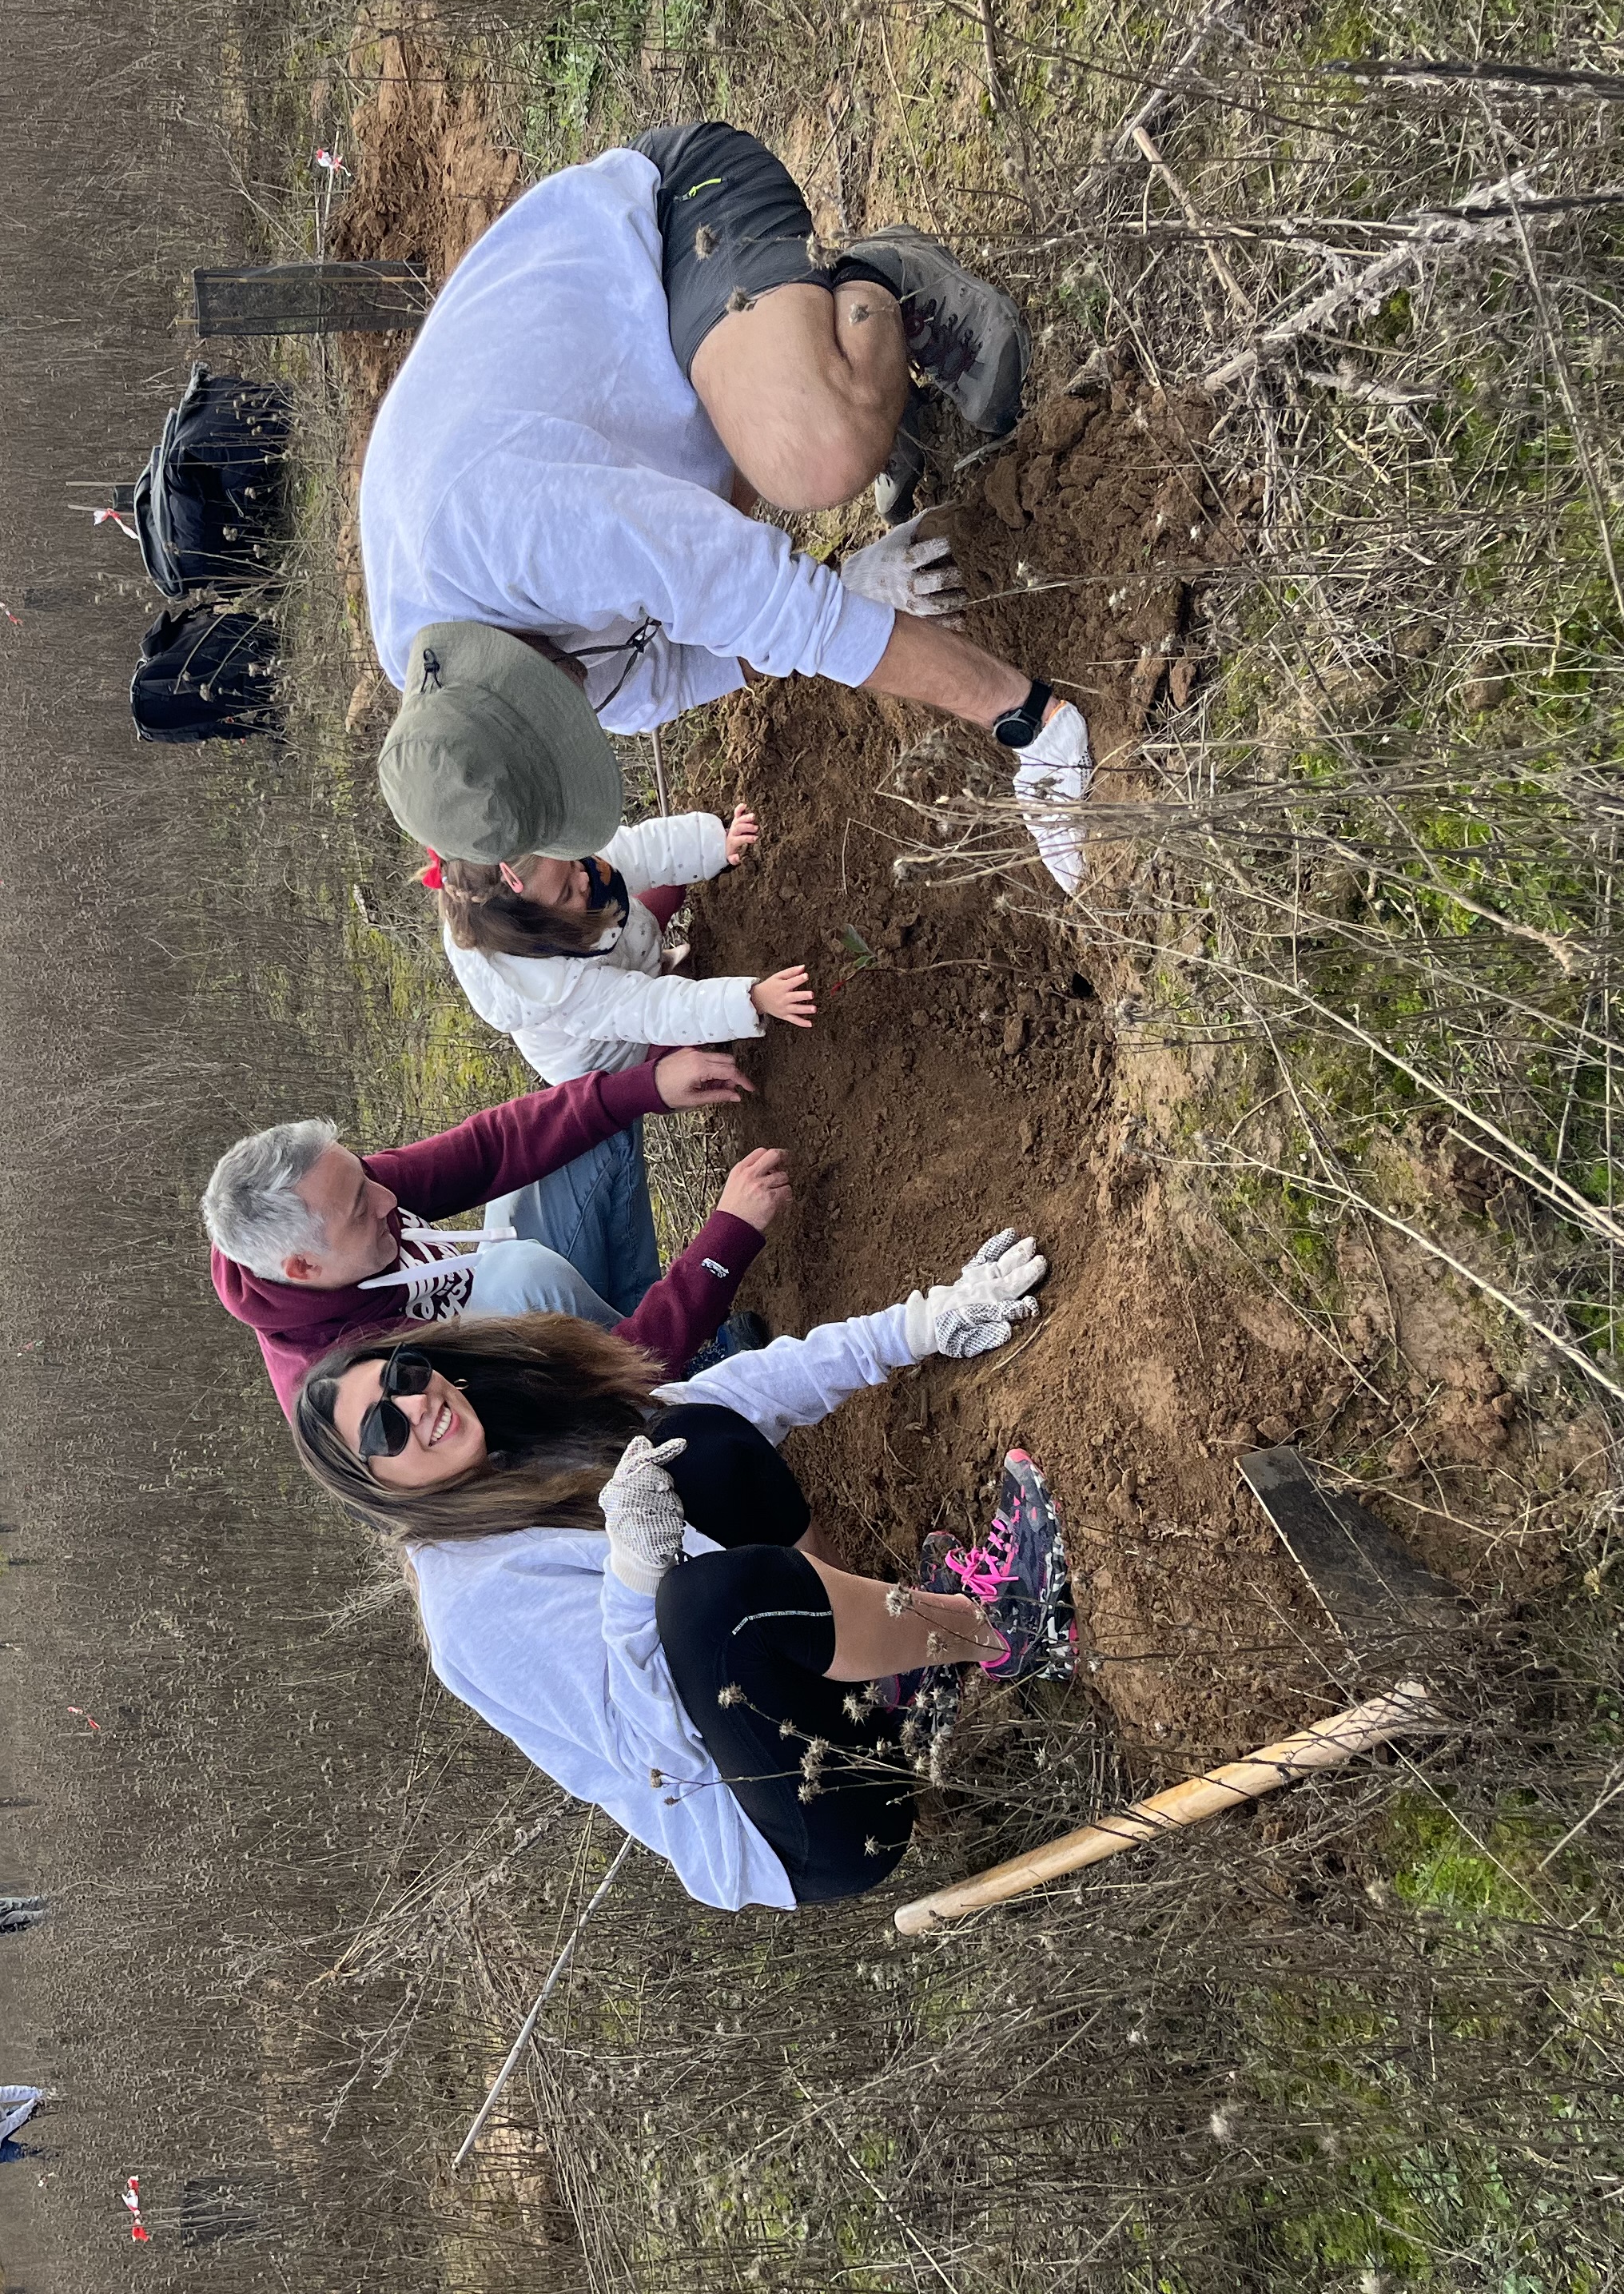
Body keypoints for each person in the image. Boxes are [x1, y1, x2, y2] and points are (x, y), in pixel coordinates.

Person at [359, 117, 1095, 883]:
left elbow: (763, 601)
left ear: (495, 665)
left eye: (555, 700)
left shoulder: (505, 532)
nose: (579, 699)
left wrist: (1028, 721)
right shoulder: (457, 720)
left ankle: (879, 282)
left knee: (817, 455)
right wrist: (851, 584)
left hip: (672, 228)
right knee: (753, 509)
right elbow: (672, 671)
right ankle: (820, 379)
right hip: (646, 425)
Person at [287, 1231, 1069, 1908]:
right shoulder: (472, 1611)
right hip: (807, 1824)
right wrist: (636, 1576)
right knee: (706, 1602)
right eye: (383, 1430)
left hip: (810, 1714)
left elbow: (735, 1398)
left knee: (698, 1439)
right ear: (378, 1490)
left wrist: (921, 1324)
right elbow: (657, 1750)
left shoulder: (519, 1428)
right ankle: (1007, 1628)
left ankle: (894, 1673)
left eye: (402, 1375)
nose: (414, 1406)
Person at [201, 1049, 787, 1412]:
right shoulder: (361, 1386)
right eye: (362, 1208)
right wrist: (725, 1241)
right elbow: (571, 1419)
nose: (387, 1199)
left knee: (579, 1134)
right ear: (302, 1267)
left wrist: (648, 1084)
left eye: (365, 1176)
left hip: (540, 1338)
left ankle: (662, 1341)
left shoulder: (332, 1201)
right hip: (564, 1420)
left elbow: (488, 1150)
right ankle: (679, 1399)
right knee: (521, 1278)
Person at [432, 799, 814, 1085]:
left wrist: (715, 845)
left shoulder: (554, 873)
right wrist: (752, 1000)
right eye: (567, 892)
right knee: (689, 1060)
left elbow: (638, 851)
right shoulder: (564, 994)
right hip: (618, 1052)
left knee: (665, 885)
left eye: (573, 863)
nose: (583, 878)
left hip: (618, 951)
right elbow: (654, 1010)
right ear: (539, 930)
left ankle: (660, 964)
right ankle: (674, 1048)